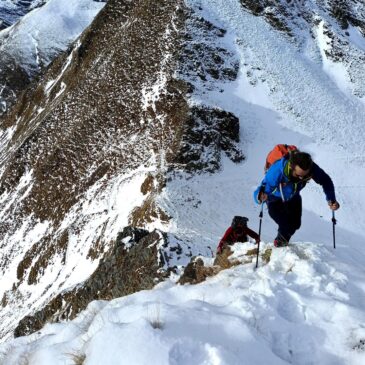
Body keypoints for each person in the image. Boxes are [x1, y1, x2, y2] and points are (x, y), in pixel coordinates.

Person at [253, 150, 340, 247]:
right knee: (286, 225)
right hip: (275, 200)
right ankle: (280, 244)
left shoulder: (310, 167)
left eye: (305, 176)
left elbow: (325, 180)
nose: (301, 178)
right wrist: (260, 197)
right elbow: (261, 189)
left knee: (295, 224)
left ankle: (282, 241)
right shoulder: (276, 172)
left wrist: (331, 200)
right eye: (298, 175)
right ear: (291, 166)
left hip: (294, 197)